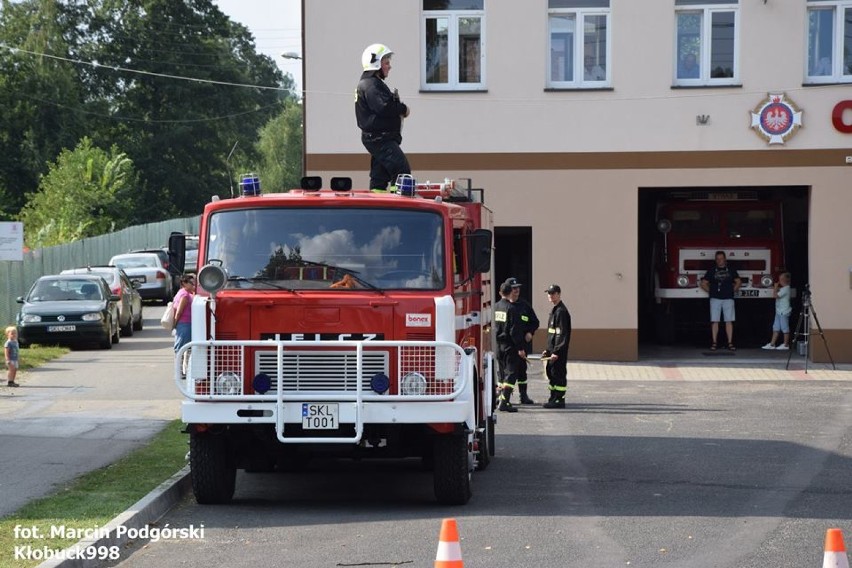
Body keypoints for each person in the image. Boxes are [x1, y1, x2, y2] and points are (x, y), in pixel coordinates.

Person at [355, 43, 411, 191]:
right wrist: (403, 109)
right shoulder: (371, 85)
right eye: (386, 63)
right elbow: (384, 107)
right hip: (380, 139)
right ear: (376, 64)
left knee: (379, 176)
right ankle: (400, 207)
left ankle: (378, 204)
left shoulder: (372, 84)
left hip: (379, 138)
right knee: (402, 172)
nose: (389, 66)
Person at [494, 279, 527, 412]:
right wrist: (520, 348)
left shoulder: (496, 306)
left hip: (499, 345)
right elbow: (514, 331)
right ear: (509, 292)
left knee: (502, 373)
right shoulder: (511, 308)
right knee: (511, 373)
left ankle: (501, 397)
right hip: (510, 346)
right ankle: (505, 401)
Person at [504, 277, 539, 404]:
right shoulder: (504, 306)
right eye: (514, 288)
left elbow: (535, 322)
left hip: (522, 345)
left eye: (518, 288)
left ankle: (523, 395)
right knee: (506, 372)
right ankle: (503, 398)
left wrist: (530, 332)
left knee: (522, 371)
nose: (516, 290)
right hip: (508, 347)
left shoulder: (524, 306)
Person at [699, 251, 741, 351]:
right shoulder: (712, 270)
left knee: (729, 321)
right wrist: (711, 292)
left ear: (725, 259)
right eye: (717, 259)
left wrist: (732, 290)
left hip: (728, 298)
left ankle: (730, 343)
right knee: (715, 321)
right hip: (715, 299)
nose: (719, 260)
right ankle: (714, 343)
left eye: (721, 258)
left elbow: (738, 281)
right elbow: (703, 283)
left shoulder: (731, 270)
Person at [542, 284, 571, 409]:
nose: (550, 296)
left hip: (558, 352)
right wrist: (548, 350)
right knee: (551, 374)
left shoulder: (561, 312)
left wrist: (557, 352)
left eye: (553, 293)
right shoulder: (554, 310)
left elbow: (562, 334)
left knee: (558, 375)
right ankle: (553, 397)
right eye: (549, 293)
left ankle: (559, 399)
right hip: (552, 351)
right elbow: (552, 334)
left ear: (559, 294)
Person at [762, 272, 792, 351]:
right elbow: (778, 290)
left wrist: (775, 287)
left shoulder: (786, 288)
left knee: (785, 328)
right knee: (776, 327)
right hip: (779, 311)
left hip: (783, 312)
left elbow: (775, 295)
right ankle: (772, 344)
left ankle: (786, 345)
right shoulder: (783, 288)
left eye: (780, 280)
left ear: (783, 280)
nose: (779, 281)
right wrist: (775, 288)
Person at [173, 274, 196, 376]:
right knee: (181, 347)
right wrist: (175, 323)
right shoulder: (185, 295)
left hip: (185, 324)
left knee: (186, 347)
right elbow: (179, 311)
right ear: (184, 283)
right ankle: (179, 371)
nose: (194, 285)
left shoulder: (184, 293)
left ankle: (184, 370)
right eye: (191, 283)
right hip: (185, 323)